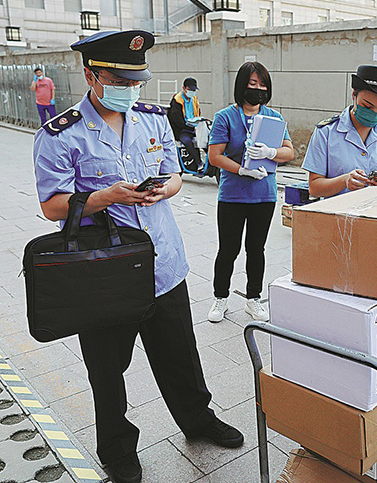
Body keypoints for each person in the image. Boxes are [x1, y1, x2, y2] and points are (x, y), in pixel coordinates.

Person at [32, 30, 243, 483]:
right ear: (91, 75)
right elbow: (51, 205)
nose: (130, 91)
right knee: (108, 369)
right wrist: (104, 197)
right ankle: (116, 447)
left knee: (180, 354)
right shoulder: (60, 134)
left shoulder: (152, 118)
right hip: (105, 273)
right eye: (120, 81)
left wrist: (164, 188)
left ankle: (198, 420)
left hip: (164, 262)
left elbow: (174, 175)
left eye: (136, 82)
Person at [207, 61, 294, 323]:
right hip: (232, 195)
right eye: (252, 84)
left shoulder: (274, 118)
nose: (258, 90)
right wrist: (241, 170)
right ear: (241, 85)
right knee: (228, 249)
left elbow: (289, 151)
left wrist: (271, 153)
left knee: (256, 249)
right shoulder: (226, 117)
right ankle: (220, 297)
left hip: (264, 196)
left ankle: (253, 298)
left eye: (262, 85)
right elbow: (214, 156)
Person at [302, 65, 377, 197]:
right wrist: (343, 181)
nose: (374, 113)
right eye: (367, 106)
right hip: (338, 213)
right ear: (354, 95)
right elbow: (314, 188)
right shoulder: (326, 132)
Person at [167, 77, 203, 172]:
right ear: (184, 88)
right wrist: (189, 125)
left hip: (193, 127)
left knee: (205, 139)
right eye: (190, 89)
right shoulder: (177, 100)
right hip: (182, 130)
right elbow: (177, 120)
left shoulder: (194, 99)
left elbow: (197, 112)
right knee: (188, 141)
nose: (192, 92)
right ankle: (199, 163)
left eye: (194, 90)